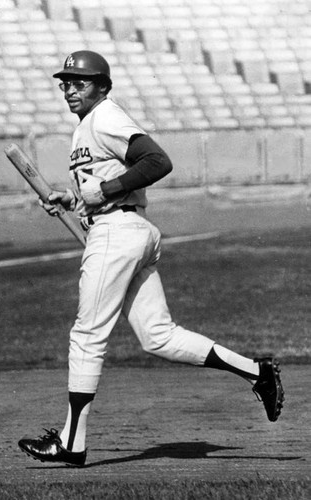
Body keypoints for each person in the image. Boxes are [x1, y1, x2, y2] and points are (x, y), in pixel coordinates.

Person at [18, 51, 284, 467]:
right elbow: (102, 186)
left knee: (87, 335)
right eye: (65, 82)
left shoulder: (105, 116)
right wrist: (72, 199)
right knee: (158, 335)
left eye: (80, 82)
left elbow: (157, 161)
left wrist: (101, 194)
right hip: (128, 230)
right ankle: (257, 372)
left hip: (117, 234)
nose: (70, 89)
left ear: (103, 86)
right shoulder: (88, 126)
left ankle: (72, 442)